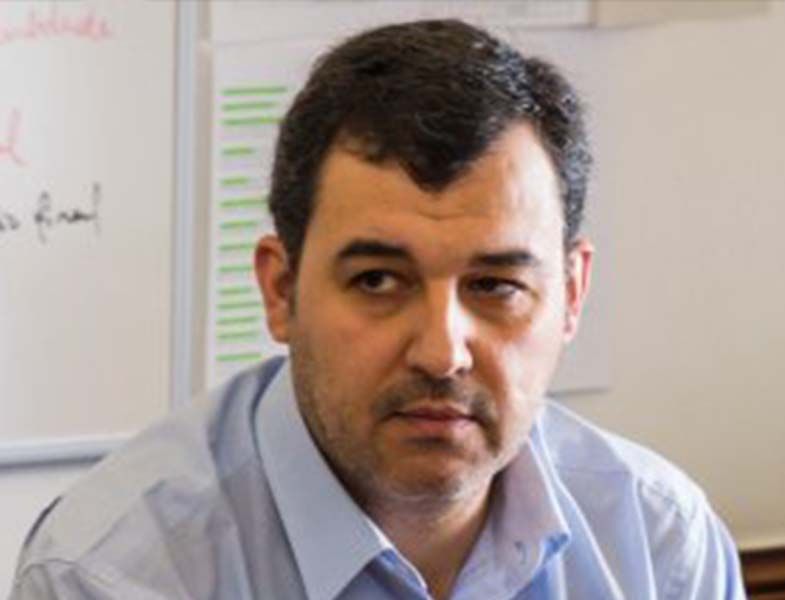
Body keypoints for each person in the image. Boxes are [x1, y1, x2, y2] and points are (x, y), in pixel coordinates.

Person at [12, 19, 745, 600]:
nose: (442, 353)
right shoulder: (115, 576)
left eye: (495, 286)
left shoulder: (658, 547)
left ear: (572, 295)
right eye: (377, 281)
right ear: (281, 290)